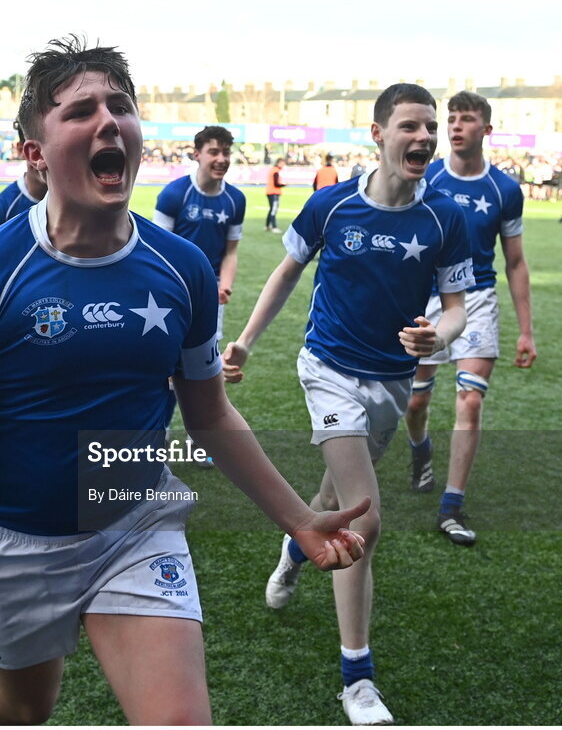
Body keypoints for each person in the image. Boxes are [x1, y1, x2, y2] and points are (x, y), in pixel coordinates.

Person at [0, 36, 370, 727]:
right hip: (9, 541)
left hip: (133, 520)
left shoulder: (180, 269)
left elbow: (210, 417)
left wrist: (299, 519)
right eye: (80, 110)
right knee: (22, 706)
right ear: (35, 151)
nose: (107, 121)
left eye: (120, 106)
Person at [223, 83, 473, 725]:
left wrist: (434, 338)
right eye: (410, 126)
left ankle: (294, 547)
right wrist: (246, 343)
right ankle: (357, 678)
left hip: (392, 381)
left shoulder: (447, 218)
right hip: (328, 371)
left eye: (430, 127)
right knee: (364, 519)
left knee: (335, 500)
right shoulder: (331, 207)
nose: (423, 137)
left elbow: (454, 312)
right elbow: (285, 274)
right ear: (379, 134)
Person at [404, 91, 537, 545]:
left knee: (470, 400)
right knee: (416, 403)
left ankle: (451, 505)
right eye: (452, 119)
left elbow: (516, 262)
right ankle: (420, 450)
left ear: (486, 130)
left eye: (466, 120)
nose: (456, 127)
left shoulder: (504, 190)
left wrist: (526, 331)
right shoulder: (427, 177)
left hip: (478, 299)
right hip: (428, 299)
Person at [153, 124, 246, 341]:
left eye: (226, 152)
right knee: (170, 348)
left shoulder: (236, 199)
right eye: (213, 152)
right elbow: (157, 249)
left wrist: (225, 286)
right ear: (197, 155)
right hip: (174, 284)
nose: (222, 159)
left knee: (206, 356)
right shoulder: (174, 194)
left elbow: (231, 252)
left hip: (211, 288)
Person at [0, 122, 47, 239]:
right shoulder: (1, 210)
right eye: (35, 151)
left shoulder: (80, 202)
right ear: (21, 150)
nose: (43, 161)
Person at [265, 157, 286, 233]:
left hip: (270, 192)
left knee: (271, 209)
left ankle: (267, 225)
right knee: (273, 210)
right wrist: (284, 185)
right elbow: (276, 184)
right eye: (283, 163)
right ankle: (274, 226)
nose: (284, 165)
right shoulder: (276, 171)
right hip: (274, 192)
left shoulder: (273, 170)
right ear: (279, 163)